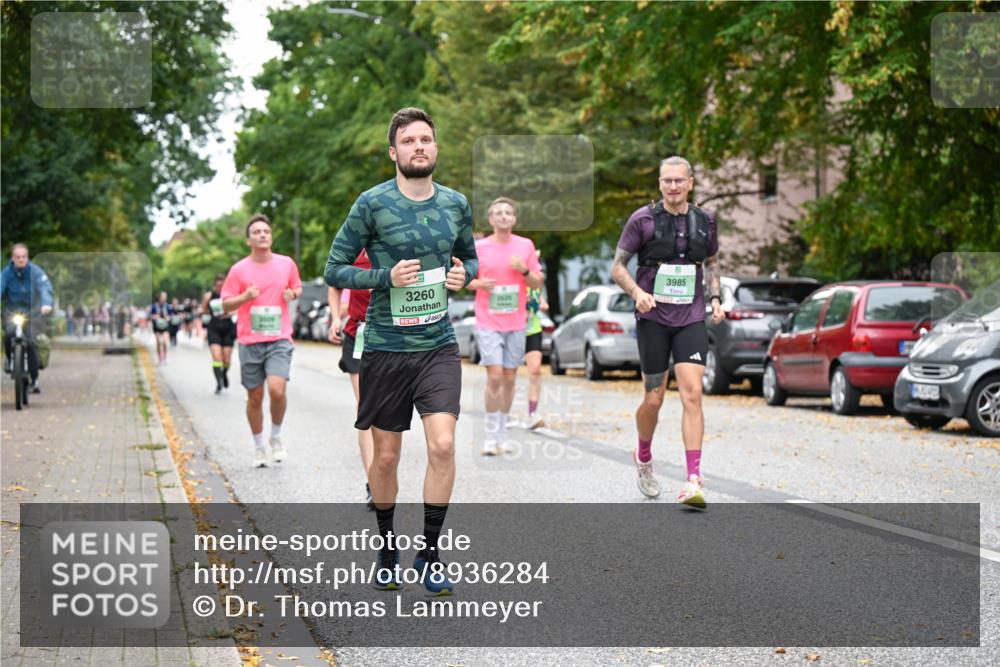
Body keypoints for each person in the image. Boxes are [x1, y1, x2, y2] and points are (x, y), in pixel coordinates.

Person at [324, 107, 478, 596]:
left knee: (444, 445)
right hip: (387, 348)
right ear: (394, 152)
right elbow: (334, 268)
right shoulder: (372, 204)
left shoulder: (455, 204)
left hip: (438, 345)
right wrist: (383, 278)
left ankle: (429, 553)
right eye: (409, 141)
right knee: (386, 458)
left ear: (435, 147)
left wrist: (464, 275)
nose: (419, 147)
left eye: (426, 139)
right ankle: (387, 546)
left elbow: (471, 256)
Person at [610, 156, 725, 509]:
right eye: (667, 181)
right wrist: (637, 293)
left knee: (692, 395)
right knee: (655, 397)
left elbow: (713, 262)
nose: (673, 186)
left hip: (690, 317)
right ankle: (643, 456)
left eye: (679, 180)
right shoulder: (642, 219)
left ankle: (693, 479)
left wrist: (716, 297)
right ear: (659, 184)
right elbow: (617, 266)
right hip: (653, 318)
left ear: (691, 182)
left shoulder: (706, 221)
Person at [221, 213, 302, 468]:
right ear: (249, 240)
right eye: (256, 232)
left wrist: (292, 294)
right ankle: (258, 446)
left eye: (265, 231)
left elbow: (296, 288)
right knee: (255, 397)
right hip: (249, 340)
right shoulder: (239, 270)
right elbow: (224, 304)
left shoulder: (286, 263)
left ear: (271, 236)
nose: (262, 235)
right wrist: (245, 296)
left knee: (277, 390)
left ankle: (275, 436)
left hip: (279, 337)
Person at [467, 197, 544, 455]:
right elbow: (464, 279)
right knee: (495, 375)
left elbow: (536, 283)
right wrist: (478, 285)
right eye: (498, 212)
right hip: (488, 321)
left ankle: (501, 433)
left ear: (514, 219)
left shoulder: (525, 246)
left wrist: (524, 270)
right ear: (490, 219)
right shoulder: (479, 247)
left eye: (507, 213)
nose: (502, 216)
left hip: (516, 321)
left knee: (510, 379)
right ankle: (490, 436)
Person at [327, 250, 375, 510]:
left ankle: (383, 471)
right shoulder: (352, 250)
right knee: (366, 408)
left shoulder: (400, 243)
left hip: (394, 337)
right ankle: (373, 483)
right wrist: (336, 317)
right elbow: (334, 285)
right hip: (360, 334)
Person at [1, 243, 53, 392]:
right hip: (12, 313)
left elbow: (45, 288)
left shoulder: (36, 272)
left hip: (33, 313)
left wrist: (46, 304)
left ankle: (34, 379)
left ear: (27, 257)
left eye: (23, 257)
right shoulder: (6, 273)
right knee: (8, 335)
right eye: (17, 257)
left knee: (31, 342)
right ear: (13, 258)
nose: (21, 259)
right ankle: (11, 361)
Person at [203, 275, 237, 394]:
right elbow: (205, 310)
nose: (220, 287)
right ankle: (219, 383)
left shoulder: (232, 296)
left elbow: (238, 308)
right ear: (215, 286)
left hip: (228, 328)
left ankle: (224, 373)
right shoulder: (208, 296)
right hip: (214, 328)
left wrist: (231, 312)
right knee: (217, 357)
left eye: (222, 285)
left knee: (227, 360)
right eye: (218, 285)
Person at [524, 285, 548, 429]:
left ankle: (532, 414)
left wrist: (538, 302)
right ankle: (502, 414)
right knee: (506, 372)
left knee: (535, 370)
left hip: (532, 329)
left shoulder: (533, 285)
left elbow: (543, 303)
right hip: (510, 329)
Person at [150, 292, 173, 363]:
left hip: (165, 326)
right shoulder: (154, 306)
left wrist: (168, 318)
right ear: (159, 297)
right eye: (163, 296)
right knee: (159, 342)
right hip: (157, 326)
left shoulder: (168, 306)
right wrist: (155, 317)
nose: (164, 298)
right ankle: (160, 358)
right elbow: (150, 316)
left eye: (165, 296)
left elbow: (171, 316)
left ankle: (165, 357)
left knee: (165, 342)